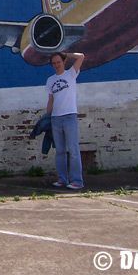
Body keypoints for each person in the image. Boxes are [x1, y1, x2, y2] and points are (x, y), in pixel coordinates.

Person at [45, 51, 85, 190]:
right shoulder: (50, 80)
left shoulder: (71, 74)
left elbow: (81, 57)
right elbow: (50, 99)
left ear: (63, 62)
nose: (56, 65)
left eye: (59, 62)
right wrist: (47, 116)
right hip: (56, 118)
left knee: (73, 150)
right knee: (60, 151)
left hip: (70, 116)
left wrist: (66, 53)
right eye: (54, 63)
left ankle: (77, 181)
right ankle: (62, 179)